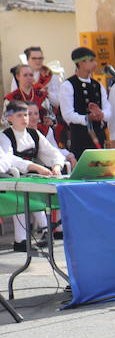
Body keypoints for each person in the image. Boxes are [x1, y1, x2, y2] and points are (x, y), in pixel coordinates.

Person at [1, 100, 62, 251]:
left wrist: (56, 166)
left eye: (26, 115)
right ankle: (21, 239)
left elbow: (53, 152)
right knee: (23, 194)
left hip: (32, 178)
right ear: (9, 118)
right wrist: (35, 166)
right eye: (19, 115)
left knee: (36, 190)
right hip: (12, 179)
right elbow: (8, 159)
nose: (24, 118)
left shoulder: (34, 134)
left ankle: (46, 230)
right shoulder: (5, 136)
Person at [57, 47, 109, 155]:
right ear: (80, 63)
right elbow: (67, 114)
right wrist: (86, 118)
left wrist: (102, 115)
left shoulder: (98, 85)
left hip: (98, 135)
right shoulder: (68, 85)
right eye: (91, 61)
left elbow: (107, 108)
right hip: (80, 138)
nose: (95, 63)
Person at [6, 64, 55, 137]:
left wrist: (50, 121)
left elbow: (51, 117)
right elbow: (6, 121)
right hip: (19, 136)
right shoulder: (11, 99)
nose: (29, 78)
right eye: (25, 75)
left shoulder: (42, 95)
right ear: (18, 77)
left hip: (42, 134)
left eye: (31, 75)